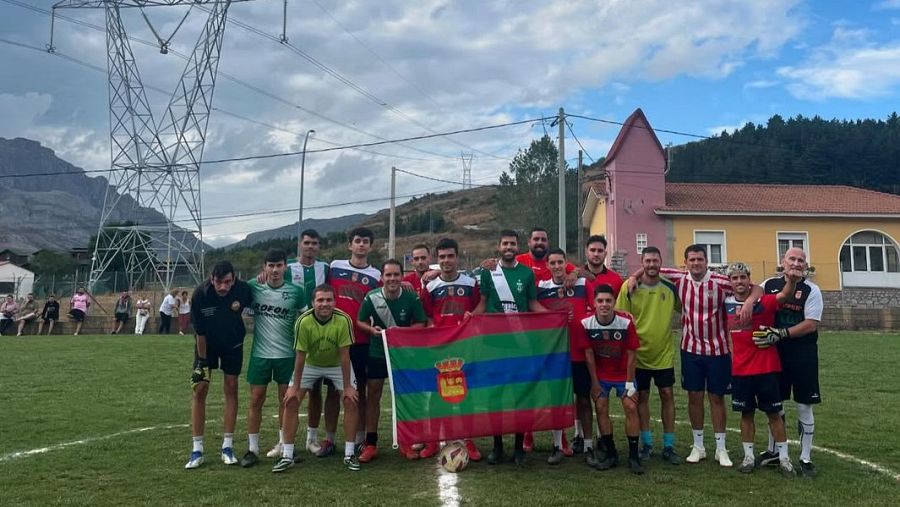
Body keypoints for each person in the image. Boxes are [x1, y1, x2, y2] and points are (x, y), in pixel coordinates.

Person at [626, 244, 759, 467]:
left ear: (706, 261)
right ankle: (698, 446)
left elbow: (755, 288)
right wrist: (632, 277)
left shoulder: (721, 282)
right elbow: (651, 268)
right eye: (692, 260)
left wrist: (749, 301)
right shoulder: (679, 278)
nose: (696, 263)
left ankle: (720, 448)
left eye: (700, 259)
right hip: (690, 349)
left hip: (718, 350)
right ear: (685, 262)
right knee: (694, 397)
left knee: (716, 398)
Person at [474, 229, 547, 465]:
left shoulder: (526, 274)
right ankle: (497, 447)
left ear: (518, 247)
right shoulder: (488, 272)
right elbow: (482, 304)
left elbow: (533, 303)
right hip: (493, 344)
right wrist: (468, 318)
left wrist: (553, 317)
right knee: (495, 396)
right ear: (498, 246)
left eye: (512, 244)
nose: (508, 247)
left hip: (520, 344)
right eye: (505, 243)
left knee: (519, 397)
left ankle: (518, 448)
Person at [273, 284, 361, 472]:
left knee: (350, 400)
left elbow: (345, 356)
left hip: (336, 364)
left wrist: (347, 387)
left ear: (334, 302)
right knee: (291, 400)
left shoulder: (343, 320)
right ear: (313, 302)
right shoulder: (303, 321)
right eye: (320, 300)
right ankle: (287, 454)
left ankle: (349, 453)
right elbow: (300, 356)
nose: (325, 304)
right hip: (310, 364)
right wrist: (295, 386)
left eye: (329, 300)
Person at [724, 262, 799, 478]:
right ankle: (748, 457)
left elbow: (784, 296)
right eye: (734, 278)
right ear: (730, 282)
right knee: (746, 415)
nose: (739, 281)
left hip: (766, 368)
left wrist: (791, 281)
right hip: (740, 370)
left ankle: (784, 459)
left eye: (742, 277)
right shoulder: (725, 304)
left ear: (749, 279)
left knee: (774, 414)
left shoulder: (762, 301)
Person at [759, 247, 824, 478]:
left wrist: (781, 333)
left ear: (805, 265)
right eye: (792, 259)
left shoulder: (812, 290)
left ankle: (806, 458)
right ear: (782, 262)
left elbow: (810, 324)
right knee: (775, 404)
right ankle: (774, 450)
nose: (796, 263)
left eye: (801, 260)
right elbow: (754, 301)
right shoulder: (768, 285)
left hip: (803, 355)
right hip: (774, 354)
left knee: (804, 405)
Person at [239, 249, 307, 468]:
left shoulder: (296, 292)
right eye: (271, 265)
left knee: (286, 401)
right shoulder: (252, 286)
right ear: (264, 267)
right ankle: (252, 449)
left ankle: (285, 445)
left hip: (287, 356)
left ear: (286, 267)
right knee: (256, 399)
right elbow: (235, 298)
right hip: (260, 354)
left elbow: (306, 320)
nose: (275, 270)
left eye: (279, 265)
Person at [616, 247, 683, 465]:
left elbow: (686, 309)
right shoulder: (629, 287)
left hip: (663, 353)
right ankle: (646, 443)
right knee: (642, 398)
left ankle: (669, 445)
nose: (652, 264)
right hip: (638, 355)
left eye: (655, 260)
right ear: (641, 262)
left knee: (667, 394)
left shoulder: (671, 288)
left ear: (660, 262)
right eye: (648, 261)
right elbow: (621, 317)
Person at [356, 259, 427, 463]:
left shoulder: (411, 298)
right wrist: (371, 330)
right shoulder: (372, 297)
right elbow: (360, 321)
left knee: (402, 398)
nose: (392, 279)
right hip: (378, 353)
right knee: (373, 395)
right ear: (382, 277)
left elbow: (421, 323)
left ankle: (405, 443)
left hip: (401, 355)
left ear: (402, 276)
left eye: (396, 274)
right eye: (388, 275)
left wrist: (401, 333)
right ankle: (371, 444)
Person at [184, 261, 252, 469]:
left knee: (231, 388)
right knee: (200, 389)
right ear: (211, 279)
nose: (223, 287)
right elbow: (200, 333)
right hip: (207, 347)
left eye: (227, 282)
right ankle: (197, 450)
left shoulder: (243, 290)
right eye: (218, 282)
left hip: (233, 344)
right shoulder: (200, 295)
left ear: (234, 279)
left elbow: (262, 294)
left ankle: (227, 446)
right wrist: (202, 364)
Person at [420, 237, 483, 461]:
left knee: (467, 395)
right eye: (442, 257)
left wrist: (472, 316)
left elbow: (479, 305)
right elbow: (426, 315)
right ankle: (433, 441)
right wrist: (432, 329)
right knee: (437, 395)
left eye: (450, 256)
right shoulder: (430, 286)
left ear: (457, 257)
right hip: (439, 348)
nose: (446, 260)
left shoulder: (470, 283)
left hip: (464, 346)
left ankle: (469, 439)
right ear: (437, 259)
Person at [327, 227, 381, 453]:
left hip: (361, 339)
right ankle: (329, 439)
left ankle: (360, 438)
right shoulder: (334, 266)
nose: (361, 245)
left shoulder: (377, 275)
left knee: (359, 389)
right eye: (357, 241)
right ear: (349, 244)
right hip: (335, 339)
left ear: (370, 246)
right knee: (332, 390)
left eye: (365, 241)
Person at [537, 248, 592, 465]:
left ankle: (588, 446)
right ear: (548, 266)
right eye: (553, 263)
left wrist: (577, 273)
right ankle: (557, 445)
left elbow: (596, 302)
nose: (557, 266)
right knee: (557, 400)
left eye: (561, 262)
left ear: (566, 263)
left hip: (579, 351)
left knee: (584, 399)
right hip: (556, 354)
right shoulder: (541, 288)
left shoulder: (581, 284)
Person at [582, 284, 643, 474]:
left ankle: (634, 456)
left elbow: (632, 354)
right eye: (600, 301)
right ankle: (611, 453)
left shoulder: (625, 323)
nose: (604, 304)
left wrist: (629, 383)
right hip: (601, 375)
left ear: (614, 302)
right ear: (594, 303)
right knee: (600, 406)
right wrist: (594, 383)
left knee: (631, 406)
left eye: (608, 300)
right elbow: (589, 355)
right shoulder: (586, 323)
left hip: (623, 374)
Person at [287, 229, 336, 457]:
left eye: (314, 243)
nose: (310, 247)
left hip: (321, 336)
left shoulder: (325, 269)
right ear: (300, 244)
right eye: (307, 243)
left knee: (316, 389)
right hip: (293, 336)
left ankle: (311, 438)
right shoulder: (287, 268)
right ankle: (283, 441)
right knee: (289, 390)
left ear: (319, 246)